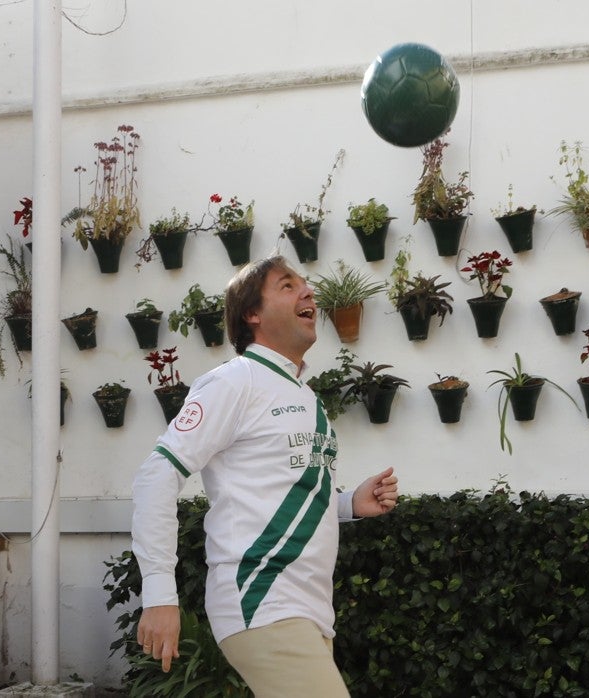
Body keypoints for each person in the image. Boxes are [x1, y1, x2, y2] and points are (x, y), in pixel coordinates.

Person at [131, 256, 399, 697]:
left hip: (309, 613)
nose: (308, 293)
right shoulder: (234, 382)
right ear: (251, 314)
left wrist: (349, 503)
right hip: (262, 602)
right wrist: (160, 594)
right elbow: (156, 474)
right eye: (287, 286)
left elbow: (280, 495)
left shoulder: (305, 395)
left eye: (306, 285)